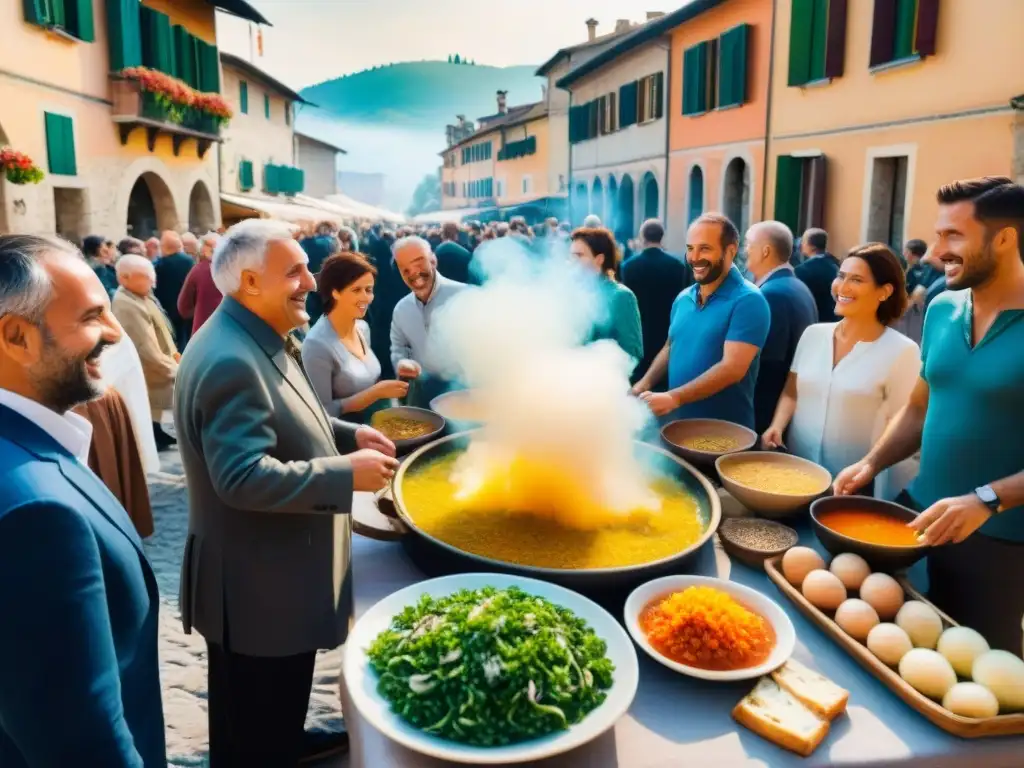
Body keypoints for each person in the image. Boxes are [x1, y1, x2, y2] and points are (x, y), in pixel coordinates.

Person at [173, 219, 399, 767]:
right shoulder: (231, 356)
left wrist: (348, 433)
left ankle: (283, 740)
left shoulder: (253, 328)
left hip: (261, 580)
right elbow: (242, 476)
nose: (311, 280)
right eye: (294, 271)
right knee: (257, 717)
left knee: (256, 707)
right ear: (250, 282)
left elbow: (290, 412)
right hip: (260, 588)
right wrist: (344, 474)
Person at [833, 177, 1024, 653]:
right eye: (938, 236)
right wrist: (872, 463)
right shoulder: (942, 307)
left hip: (997, 542)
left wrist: (986, 499)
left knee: (976, 679)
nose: (937, 252)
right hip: (914, 513)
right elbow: (920, 407)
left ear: (1004, 238)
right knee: (877, 645)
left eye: (953, 236)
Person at [0, 234, 166, 767]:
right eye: (93, 317)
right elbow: (81, 744)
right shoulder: (36, 511)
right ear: (16, 337)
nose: (115, 333)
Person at [763, 243, 920, 499]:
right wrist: (777, 426)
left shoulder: (902, 351)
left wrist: (869, 468)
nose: (842, 287)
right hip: (796, 476)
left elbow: (900, 426)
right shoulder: (813, 335)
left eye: (856, 280)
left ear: (884, 291)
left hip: (854, 489)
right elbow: (792, 392)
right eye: (841, 276)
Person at [633, 213, 770, 430]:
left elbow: (732, 368)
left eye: (705, 248)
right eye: (690, 248)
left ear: (731, 251)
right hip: (678, 428)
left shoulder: (749, 300)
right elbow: (671, 346)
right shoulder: (683, 297)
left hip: (725, 435)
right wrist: (644, 384)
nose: (694, 257)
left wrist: (674, 397)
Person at [302, 251, 408, 420]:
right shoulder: (316, 345)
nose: (366, 298)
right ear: (335, 292)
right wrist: (375, 393)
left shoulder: (362, 328)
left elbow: (368, 378)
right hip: (350, 439)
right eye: (357, 290)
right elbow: (321, 413)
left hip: (381, 426)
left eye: (369, 290)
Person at [745, 221, 819, 434]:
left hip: (766, 414)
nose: (744, 251)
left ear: (765, 251)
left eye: (749, 245)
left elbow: (767, 365)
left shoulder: (771, 294)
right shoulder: (795, 284)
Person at [390, 235, 469, 407]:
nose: (414, 273)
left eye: (419, 263)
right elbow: (398, 347)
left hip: (464, 397)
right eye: (406, 270)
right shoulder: (401, 309)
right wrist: (401, 362)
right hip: (422, 400)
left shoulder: (465, 296)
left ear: (433, 261)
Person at [111, 254, 179, 450]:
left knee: (153, 409)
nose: (153, 281)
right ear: (124, 278)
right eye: (147, 277)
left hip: (160, 365)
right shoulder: (127, 304)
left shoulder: (140, 295)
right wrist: (176, 370)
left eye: (152, 275)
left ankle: (157, 434)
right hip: (150, 369)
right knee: (149, 407)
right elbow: (146, 349)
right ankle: (155, 437)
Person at [621, 219, 693, 385]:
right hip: (666, 333)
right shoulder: (678, 267)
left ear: (642, 237)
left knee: (638, 384)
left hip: (639, 333)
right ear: (662, 237)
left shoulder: (628, 267)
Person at [570, 226, 643, 370]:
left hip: (603, 386)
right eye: (571, 255)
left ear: (599, 259)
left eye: (579, 255)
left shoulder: (621, 296)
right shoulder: (572, 292)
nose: (572, 262)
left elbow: (633, 352)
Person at [153, 230, 195, 351]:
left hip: (167, 309)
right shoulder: (189, 261)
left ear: (164, 247)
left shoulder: (160, 265)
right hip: (188, 308)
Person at [177, 231, 222, 335]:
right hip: (232, 330)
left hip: (204, 330)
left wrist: (198, 311)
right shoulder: (233, 268)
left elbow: (183, 307)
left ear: (202, 251)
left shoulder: (198, 270)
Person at [795, 227, 841, 322]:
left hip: (816, 320)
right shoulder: (836, 263)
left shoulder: (804, 270)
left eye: (803, 241)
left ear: (812, 246)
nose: (801, 244)